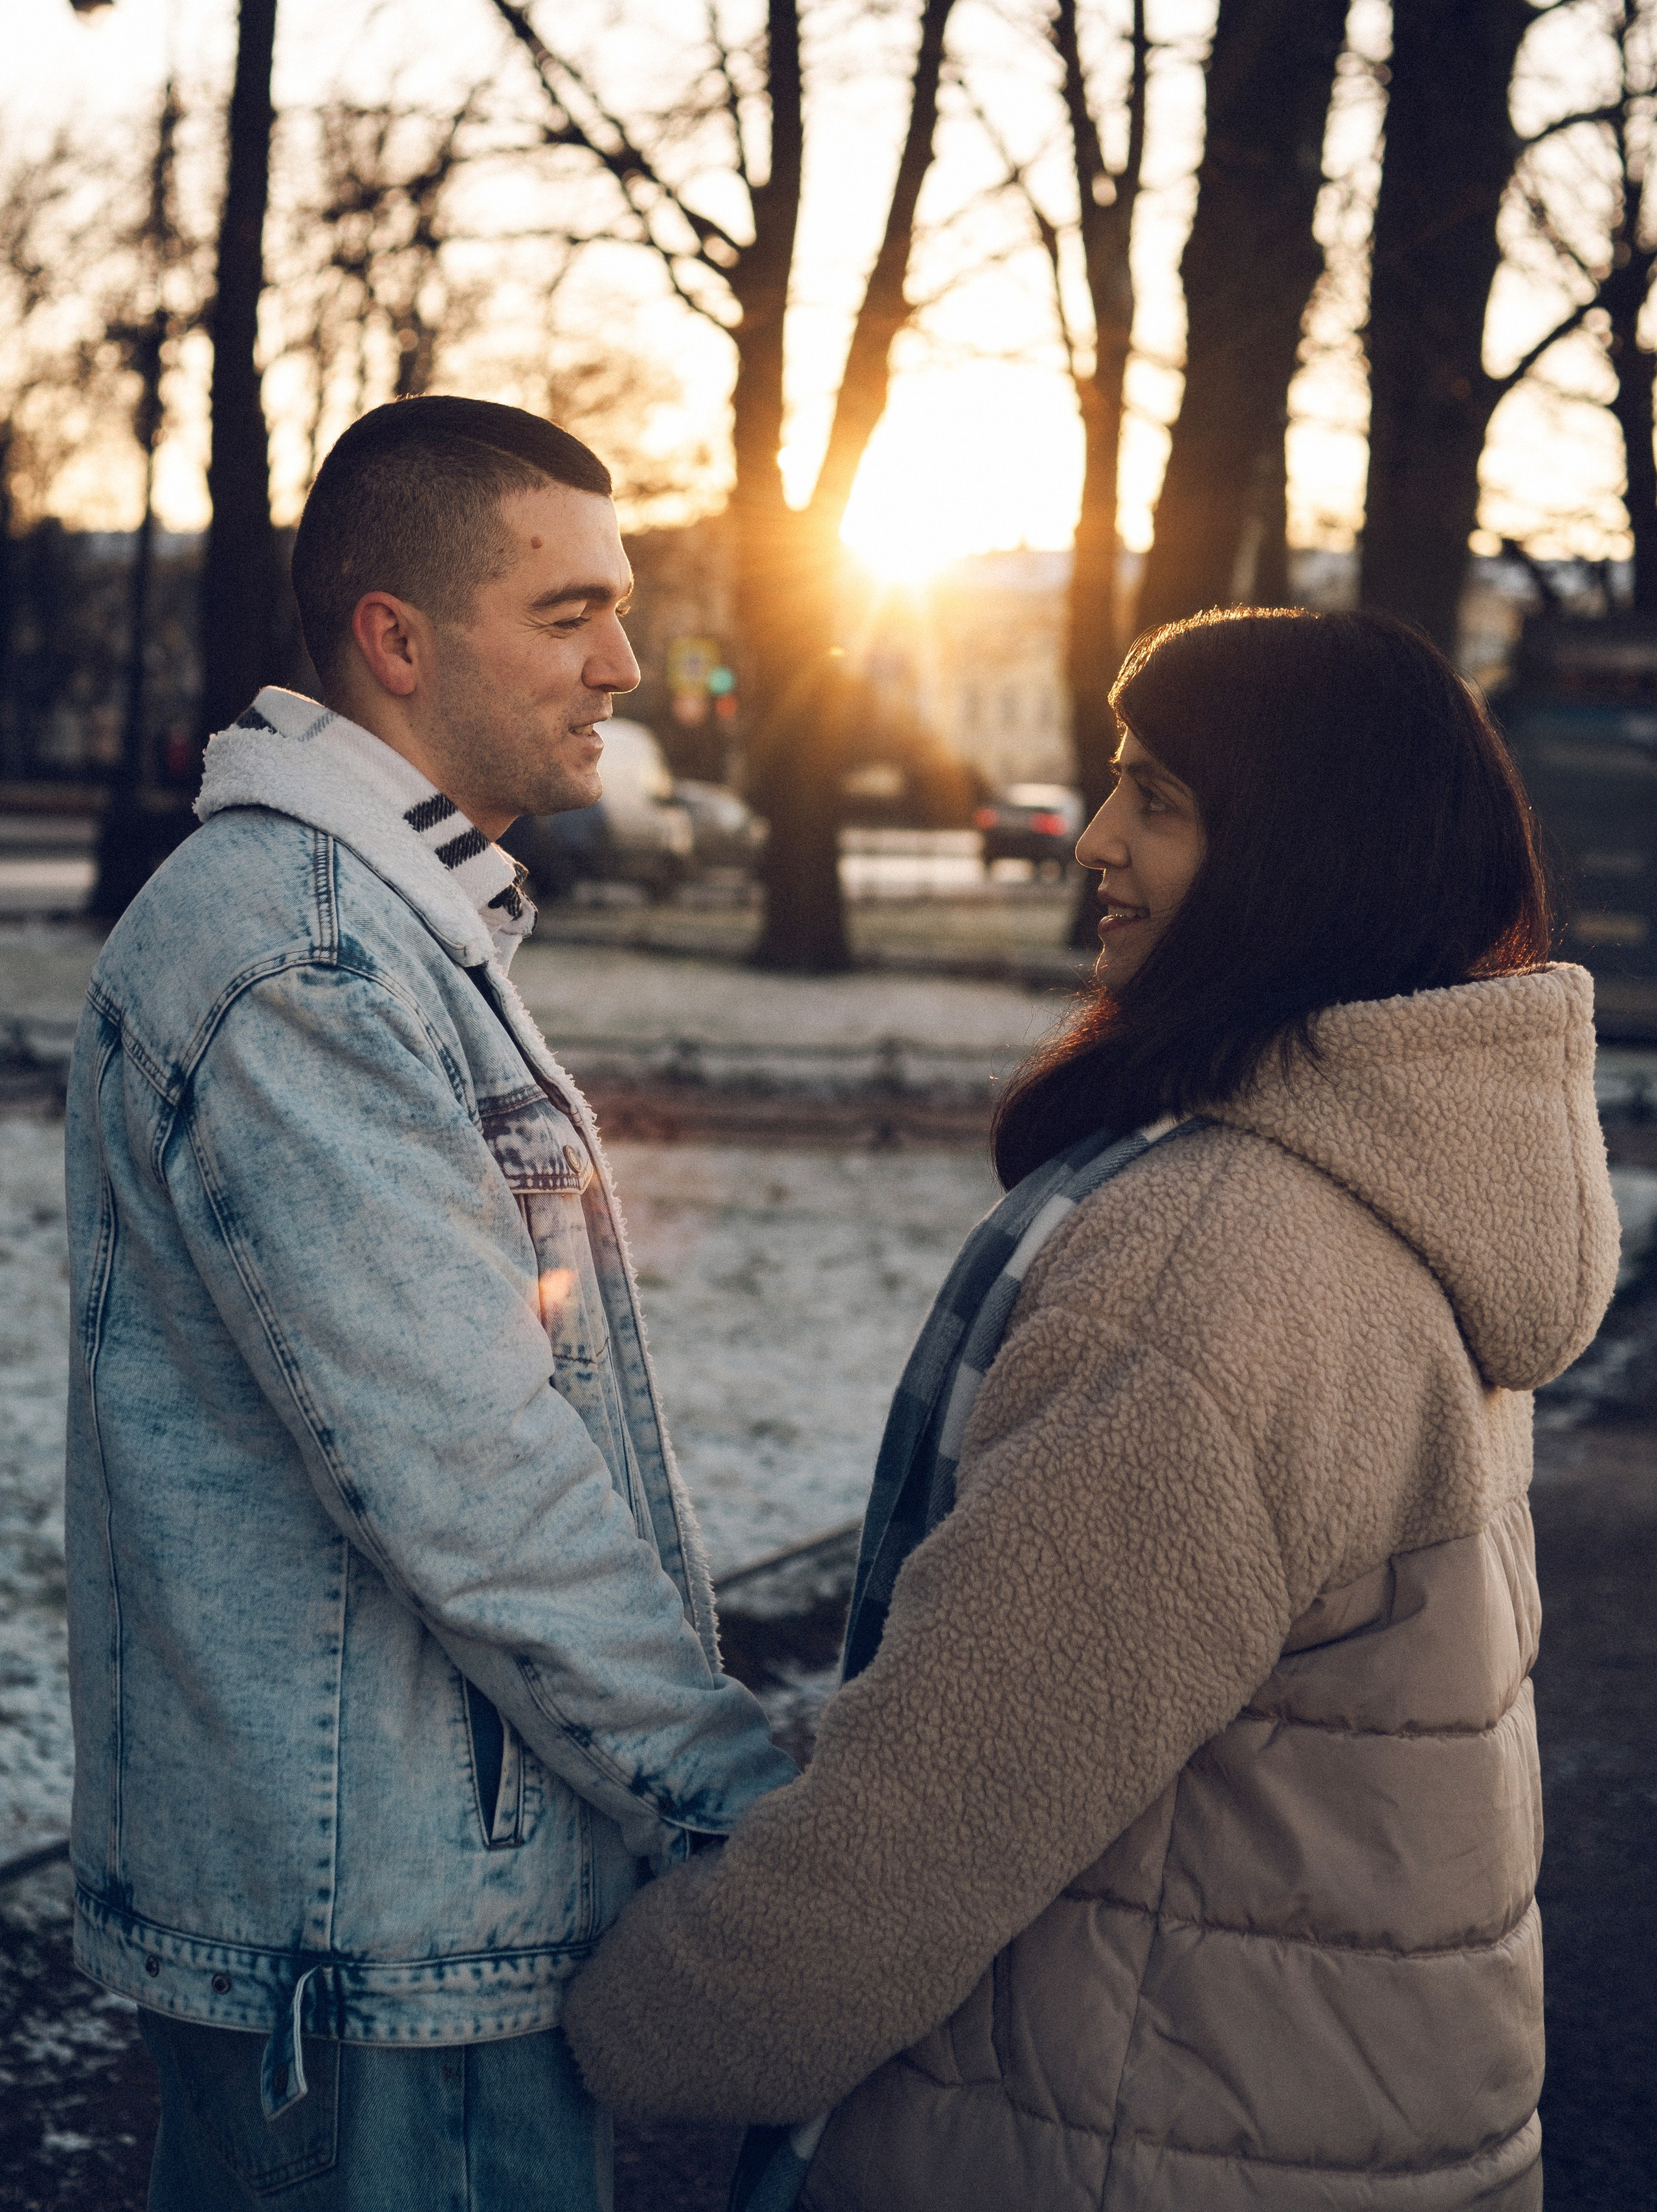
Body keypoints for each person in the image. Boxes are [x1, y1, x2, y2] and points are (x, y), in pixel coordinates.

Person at [561, 607, 1621, 2212]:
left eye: (1158, 798)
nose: (1096, 841)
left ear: (1300, 853)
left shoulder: (1220, 1258)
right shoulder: (1422, 1196)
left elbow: (942, 1806)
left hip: (1130, 2137)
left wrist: (635, 2022)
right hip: (1360, 2112)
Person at [62, 395, 792, 2212]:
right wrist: (736, 1797)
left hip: (405, 1916)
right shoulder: (300, 954)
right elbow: (466, 1466)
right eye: (566, 616)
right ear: (395, 636)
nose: (625, 662)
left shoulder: (379, 923)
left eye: (619, 608)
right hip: (376, 1960)